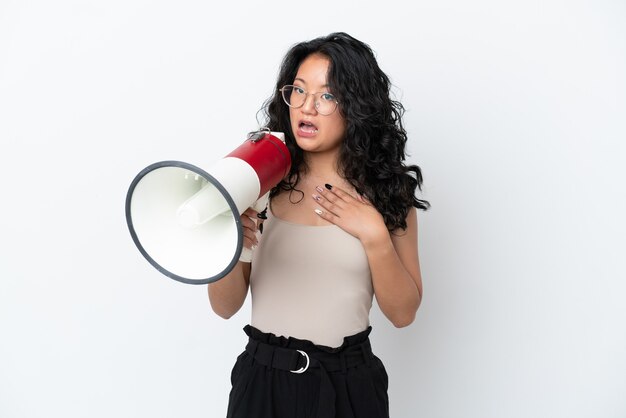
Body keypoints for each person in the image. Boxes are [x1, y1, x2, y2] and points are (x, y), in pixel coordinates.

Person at [208, 32, 430, 418]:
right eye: (298, 90)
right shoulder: (259, 182)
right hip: (263, 382)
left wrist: (374, 235)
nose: (307, 107)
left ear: (357, 105)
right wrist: (232, 243)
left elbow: (403, 314)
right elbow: (224, 307)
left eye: (327, 95)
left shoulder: (387, 194)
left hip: (350, 382)